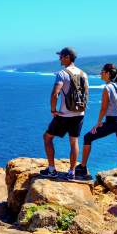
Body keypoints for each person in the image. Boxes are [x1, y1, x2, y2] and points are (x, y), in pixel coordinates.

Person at [77, 63, 117, 186]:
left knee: (88, 137)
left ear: (107, 73)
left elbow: (103, 108)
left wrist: (98, 124)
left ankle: (82, 167)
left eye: (102, 71)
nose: (100, 73)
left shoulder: (107, 88)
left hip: (114, 122)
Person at [39, 47, 89, 180]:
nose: (59, 59)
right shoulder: (83, 73)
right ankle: (72, 172)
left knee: (47, 137)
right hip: (79, 113)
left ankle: (52, 169)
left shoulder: (62, 74)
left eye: (61, 56)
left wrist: (53, 110)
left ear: (67, 57)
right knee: (74, 141)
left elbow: (55, 94)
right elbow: (86, 94)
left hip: (64, 114)